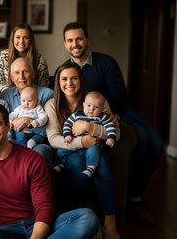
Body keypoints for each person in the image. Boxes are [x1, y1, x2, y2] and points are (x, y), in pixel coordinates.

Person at [62, 22, 163, 225]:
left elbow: (120, 97)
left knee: (156, 143)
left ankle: (136, 195)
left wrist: (111, 114)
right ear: (65, 44)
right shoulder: (66, 71)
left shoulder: (105, 62)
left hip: (118, 112)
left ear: (88, 40)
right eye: (71, 40)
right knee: (141, 139)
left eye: (79, 39)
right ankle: (133, 199)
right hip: (92, 117)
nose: (76, 44)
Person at [0, 102, 100, 238]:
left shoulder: (32, 158)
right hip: (3, 231)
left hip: (37, 223)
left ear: (8, 126)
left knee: (87, 218)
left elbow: (44, 207)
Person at [44, 62, 119, 237]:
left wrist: (89, 127)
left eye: (74, 78)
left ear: (81, 80)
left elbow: (117, 133)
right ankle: (92, 217)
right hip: (69, 152)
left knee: (100, 162)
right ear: (58, 82)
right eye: (64, 79)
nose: (69, 83)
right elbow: (54, 139)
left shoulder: (95, 98)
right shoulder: (51, 105)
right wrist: (83, 142)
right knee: (77, 163)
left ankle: (109, 219)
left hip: (96, 149)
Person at [0, 57, 55, 169]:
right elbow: (3, 122)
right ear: (11, 77)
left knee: (40, 152)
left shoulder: (48, 94)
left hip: (39, 141)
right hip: (14, 140)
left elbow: (53, 127)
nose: (21, 77)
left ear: (33, 74)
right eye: (17, 73)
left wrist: (29, 121)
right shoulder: (5, 96)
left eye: (25, 71)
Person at [54, 91, 117, 178]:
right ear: (83, 105)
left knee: (94, 151)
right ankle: (61, 164)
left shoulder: (102, 117)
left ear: (102, 109)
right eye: (88, 106)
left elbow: (110, 127)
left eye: (96, 107)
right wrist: (67, 135)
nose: (91, 109)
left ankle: (91, 167)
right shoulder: (77, 114)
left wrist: (111, 137)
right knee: (61, 150)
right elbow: (67, 123)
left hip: (93, 143)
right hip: (76, 142)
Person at [0, 23, 50, 92]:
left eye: (26, 38)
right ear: (13, 39)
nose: (21, 42)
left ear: (30, 40)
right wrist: (12, 95)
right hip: (9, 96)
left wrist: (29, 96)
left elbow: (43, 84)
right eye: (18, 37)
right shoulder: (2, 56)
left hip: (32, 97)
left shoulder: (39, 60)